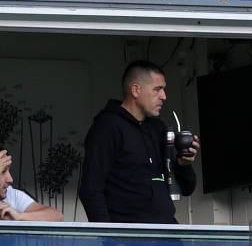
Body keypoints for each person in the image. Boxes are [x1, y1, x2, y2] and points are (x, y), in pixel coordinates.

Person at [79, 60, 200, 223]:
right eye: (158, 89)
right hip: (129, 237)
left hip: (168, 233)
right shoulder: (108, 127)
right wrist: (111, 241)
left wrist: (184, 163)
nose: (164, 96)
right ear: (136, 90)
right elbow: (90, 189)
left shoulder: (158, 129)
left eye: (164, 89)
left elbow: (186, 189)